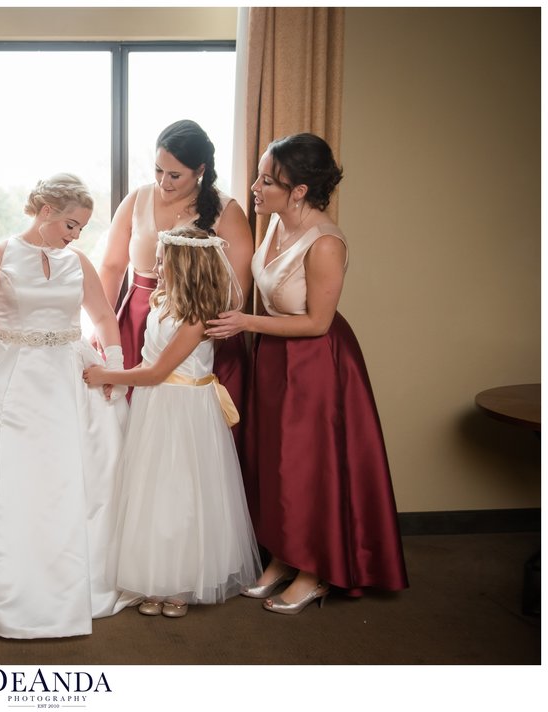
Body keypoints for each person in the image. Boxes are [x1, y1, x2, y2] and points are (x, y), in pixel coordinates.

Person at [206, 133, 409, 614]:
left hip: (318, 363)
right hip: (276, 355)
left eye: (267, 180)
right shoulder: (275, 224)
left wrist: (244, 323)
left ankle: (314, 572)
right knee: (274, 459)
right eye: (258, 175)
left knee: (308, 465)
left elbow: (318, 323)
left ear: (299, 190)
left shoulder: (325, 243)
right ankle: (283, 558)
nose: (255, 187)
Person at [0, 174, 132, 647]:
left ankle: (79, 581)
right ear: (43, 210)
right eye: (70, 224)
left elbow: (103, 317)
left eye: (81, 227)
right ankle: (10, 585)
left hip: (69, 374)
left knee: (75, 478)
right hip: (13, 375)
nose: (75, 235)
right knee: (15, 480)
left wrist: (116, 369)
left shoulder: (77, 261)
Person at [83, 226, 262, 618]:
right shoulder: (161, 300)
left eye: (163, 261)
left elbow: (156, 371)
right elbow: (149, 365)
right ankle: (155, 577)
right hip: (156, 406)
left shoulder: (198, 317)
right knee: (153, 493)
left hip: (184, 410)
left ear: (186, 266)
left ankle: (180, 582)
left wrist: (108, 376)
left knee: (182, 494)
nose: (155, 267)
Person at [98, 119, 254, 412]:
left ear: (200, 171)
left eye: (174, 175)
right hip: (138, 320)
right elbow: (112, 267)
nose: (163, 182)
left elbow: (236, 293)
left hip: (200, 324)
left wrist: (197, 332)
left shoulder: (227, 211)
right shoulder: (137, 199)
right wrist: (102, 329)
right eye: (158, 170)